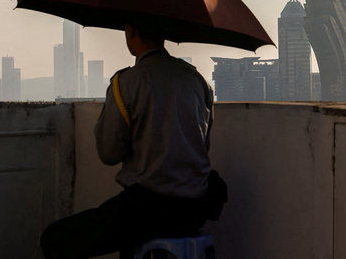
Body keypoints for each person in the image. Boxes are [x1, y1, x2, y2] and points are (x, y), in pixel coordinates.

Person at [40, 21, 217, 259]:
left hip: (147, 211)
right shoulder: (198, 81)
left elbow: (109, 153)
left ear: (131, 32)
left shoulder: (126, 82)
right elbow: (203, 143)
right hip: (196, 207)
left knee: (54, 238)